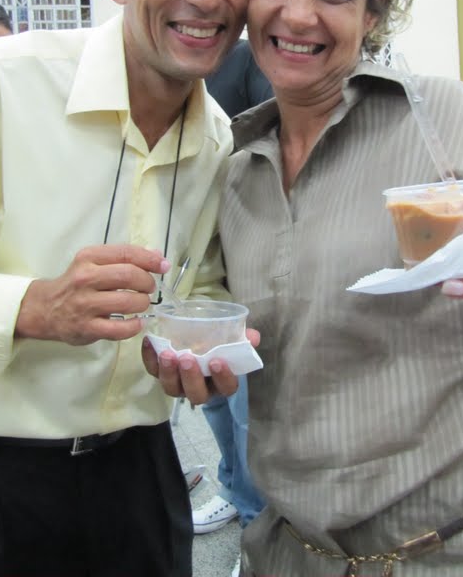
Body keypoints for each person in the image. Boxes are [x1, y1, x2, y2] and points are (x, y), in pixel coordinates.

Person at [148, 0, 463, 576]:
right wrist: (198, 365)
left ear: (374, 8)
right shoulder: (234, 165)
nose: (297, 14)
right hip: (292, 554)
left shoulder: (441, 120)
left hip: (459, 552)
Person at [0, 0, 254, 577]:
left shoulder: (218, 138)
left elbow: (201, 282)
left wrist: (206, 348)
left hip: (140, 474)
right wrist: (32, 306)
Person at [189, 46, 270, 575]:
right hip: (205, 265)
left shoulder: (252, 60)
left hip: (253, 255)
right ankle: (233, 490)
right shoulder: (183, 71)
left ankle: (257, 531)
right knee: (212, 397)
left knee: (246, 411)